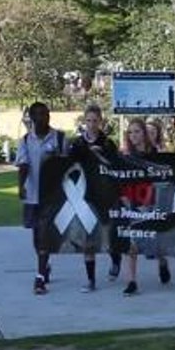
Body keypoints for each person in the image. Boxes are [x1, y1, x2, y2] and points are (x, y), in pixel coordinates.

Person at [15, 102, 68, 295]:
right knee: (37, 237)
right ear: (31, 118)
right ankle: (44, 266)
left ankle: (39, 278)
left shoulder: (60, 139)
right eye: (36, 115)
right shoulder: (26, 141)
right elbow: (23, 165)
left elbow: (67, 167)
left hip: (52, 197)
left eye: (44, 114)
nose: (41, 118)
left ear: (49, 116)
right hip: (32, 195)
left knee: (45, 234)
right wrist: (20, 187)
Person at [116, 119, 170, 296]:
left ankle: (163, 262)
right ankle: (132, 281)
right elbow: (120, 178)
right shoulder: (125, 156)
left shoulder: (155, 153)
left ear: (144, 134)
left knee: (157, 240)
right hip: (133, 202)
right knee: (131, 243)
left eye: (137, 132)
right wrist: (124, 198)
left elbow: (164, 176)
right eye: (130, 132)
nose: (133, 136)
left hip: (153, 201)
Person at [76, 104, 123, 292]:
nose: (92, 125)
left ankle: (115, 258)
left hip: (105, 195)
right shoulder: (78, 143)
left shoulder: (107, 143)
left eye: (95, 121)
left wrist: (100, 156)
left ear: (100, 122)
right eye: (88, 121)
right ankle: (91, 280)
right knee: (88, 240)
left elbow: (116, 166)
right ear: (84, 121)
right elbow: (70, 164)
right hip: (85, 196)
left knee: (108, 235)